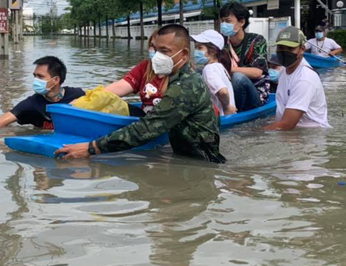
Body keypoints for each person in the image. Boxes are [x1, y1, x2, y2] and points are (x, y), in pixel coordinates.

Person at [55, 24, 225, 162]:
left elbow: (147, 128)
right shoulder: (174, 77)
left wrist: (91, 148)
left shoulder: (186, 86)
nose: (157, 56)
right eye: (155, 49)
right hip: (184, 158)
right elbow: (120, 88)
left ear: (184, 54)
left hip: (202, 164)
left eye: (164, 51)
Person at [0, 56, 84, 136]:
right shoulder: (32, 104)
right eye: (34, 76)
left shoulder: (78, 95)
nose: (36, 80)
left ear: (56, 80)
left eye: (40, 77)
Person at [265, 26, 331, 131]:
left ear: (302, 49)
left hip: (308, 134)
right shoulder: (283, 71)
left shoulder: (304, 79)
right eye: (281, 47)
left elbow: (287, 125)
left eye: (290, 48)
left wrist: (254, 133)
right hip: (293, 131)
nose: (284, 52)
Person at [219, 2, 269, 111]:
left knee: (238, 78)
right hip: (229, 91)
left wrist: (228, 69)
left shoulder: (257, 40)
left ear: (241, 22)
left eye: (227, 21)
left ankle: (237, 112)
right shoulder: (221, 43)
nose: (223, 25)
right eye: (222, 21)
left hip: (254, 93)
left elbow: (257, 72)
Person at [104, 31, 167, 117]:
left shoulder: (181, 76)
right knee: (80, 94)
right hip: (145, 116)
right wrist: (92, 96)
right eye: (152, 46)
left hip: (165, 121)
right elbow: (121, 86)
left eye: (162, 48)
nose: (155, 51)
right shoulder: (146, 66)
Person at [192, 30, 237, 116]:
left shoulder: (209, 69)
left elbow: (223, 92)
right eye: (196, 47)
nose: (196, 51)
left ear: (212, 52)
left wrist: (226, 108)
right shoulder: (220, 67)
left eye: (200, 48)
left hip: (221, 120)